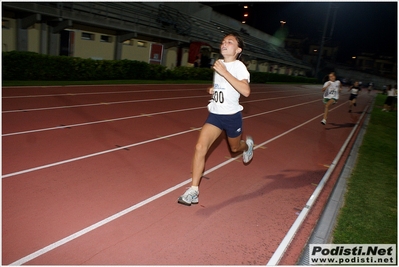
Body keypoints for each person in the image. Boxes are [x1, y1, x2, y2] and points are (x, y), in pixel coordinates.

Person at [178, 32, 254, 206]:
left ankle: (247, 146)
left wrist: (224, 72)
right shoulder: (219, 64)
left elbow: (246, 91)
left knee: (235, 148)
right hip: (215, 114)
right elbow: (224, 86)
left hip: (232, 116)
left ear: (238, 49)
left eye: (230, 42)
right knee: (200, 147)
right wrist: (212, 89)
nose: (224, 43)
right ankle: (194, 190)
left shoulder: (238, 66)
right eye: (223, 41)